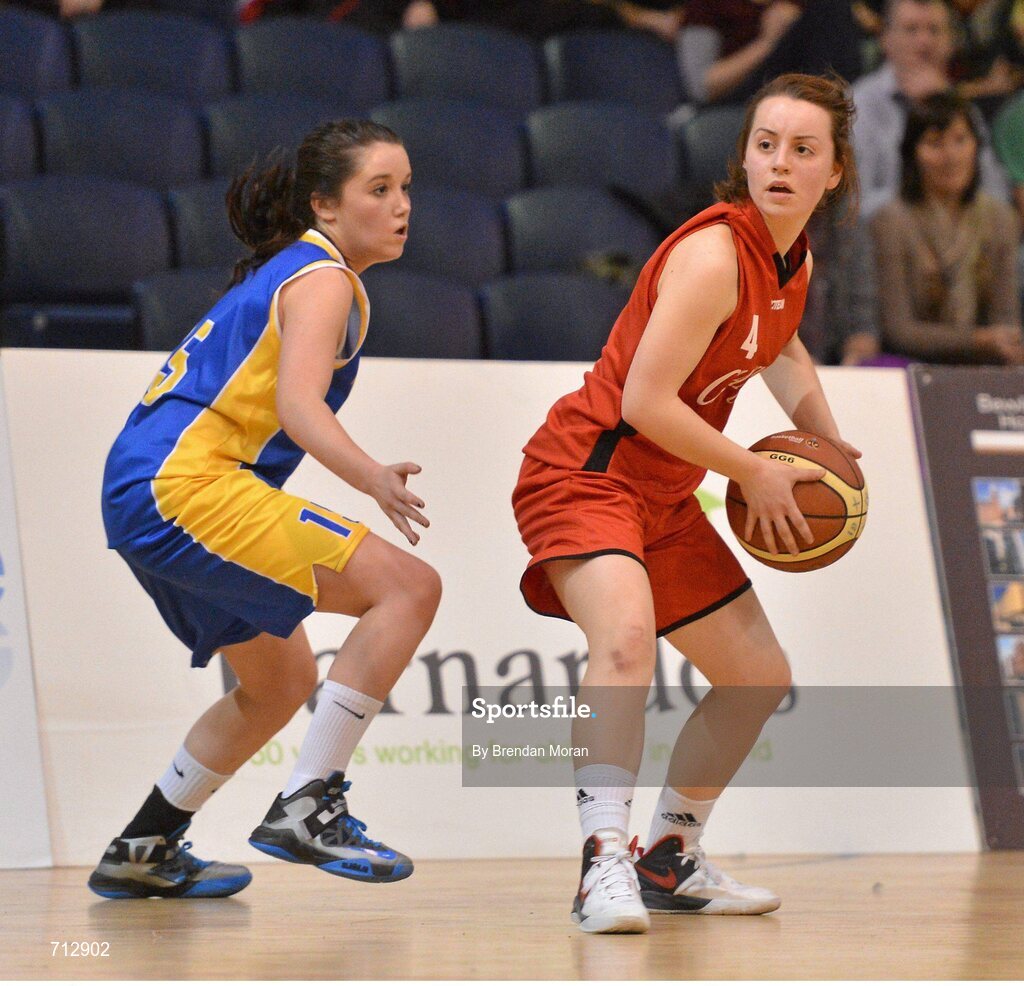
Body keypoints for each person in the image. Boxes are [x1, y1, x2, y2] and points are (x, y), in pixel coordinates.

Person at [511, 72, 862, 934]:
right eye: (766, 144)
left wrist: (830, 442)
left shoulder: (793, 259)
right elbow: (645, 404)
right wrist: (750, 469)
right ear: (744, 156)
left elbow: (783, 355)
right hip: (585, 474)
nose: (780, 162)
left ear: (835, 173)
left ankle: (668, 857)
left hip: (663, 495)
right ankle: (603, 865)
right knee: (625, 641)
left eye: (802, 149)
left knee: (756, 677)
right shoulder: (712, 254)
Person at [89, 119, 442, 899]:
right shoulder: (323, 278)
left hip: (145, 491)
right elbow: (299, 407)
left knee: (280, 680)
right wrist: (370, 476)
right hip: (184, 487)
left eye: (407, 187)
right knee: (409, 587)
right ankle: (309, 806)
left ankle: (144, 845)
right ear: (325, 205)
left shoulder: (295, 270)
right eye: (378, 190)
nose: (401, 205)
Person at [871, 92, 1023, 363]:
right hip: (912, 368)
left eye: (960, 140)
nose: (950, 156)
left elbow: (1006, 320)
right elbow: (899, 330)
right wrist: (979, 340)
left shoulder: (1000, 218)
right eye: (935, 143)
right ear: (912, 153)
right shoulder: (891, 221)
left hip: (985, 368)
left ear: (977, 146)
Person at [851, 0, 1010, 218]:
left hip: (958, 241)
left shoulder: (965, 111)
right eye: (911, 29)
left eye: (934, 30)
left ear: (951, 42)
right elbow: (853, 207)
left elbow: (998, 198)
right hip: (885, 244)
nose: (924, 41)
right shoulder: (858, 106)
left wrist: (944, 103)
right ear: (885, 39)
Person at [677, 0, 863, 106]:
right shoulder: (706, 6)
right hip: (745, 98)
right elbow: (701, 87)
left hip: (808, 86)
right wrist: (767, 42)